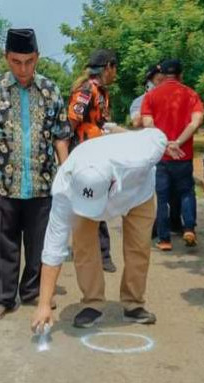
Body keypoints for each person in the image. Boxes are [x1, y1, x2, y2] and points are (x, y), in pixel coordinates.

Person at [0, 28, 71, 319]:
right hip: (3, 182)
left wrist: (65, 174)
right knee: (2, 240)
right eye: (16, 61)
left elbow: (60, 136)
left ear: (37, 57)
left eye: (29, 61)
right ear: (6, 58)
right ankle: (2, 296)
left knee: (41, 241)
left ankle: (34, 292)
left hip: (42, 183)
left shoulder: (50, 90)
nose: (23, 68)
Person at [31, 128, 167, 331]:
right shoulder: (64, 188)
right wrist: (43, 304)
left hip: (138, 195)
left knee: (139, 247)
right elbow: (53, 247)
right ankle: (92, 303)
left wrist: (126, 133)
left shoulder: (142, 156)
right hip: (93, 183)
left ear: (112, 184)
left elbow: (158, 136)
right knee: (83, 247)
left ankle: (134, 303)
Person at [141, 58, 204, 250]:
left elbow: (147, 123)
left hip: (161, 157)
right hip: (183, 156)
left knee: (162, 197)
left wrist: (165, 144)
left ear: (162, 75)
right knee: (186, 192)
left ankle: (164, 239)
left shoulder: (151, 96)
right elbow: (196, 122)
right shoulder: (191, 94)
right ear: (180, 75)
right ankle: (189, 228)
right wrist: (177, 143)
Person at [67, 49, 122, 273]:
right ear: (108, 66)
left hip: (97, 153)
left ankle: (95, 250)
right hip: (84, 154)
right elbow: (70, 123)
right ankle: (101, 253)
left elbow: (102, 124)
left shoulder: (101, 92)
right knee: (91, 201)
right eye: (115, 67)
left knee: (95, 202)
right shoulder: (86, 91)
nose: (115, 72)